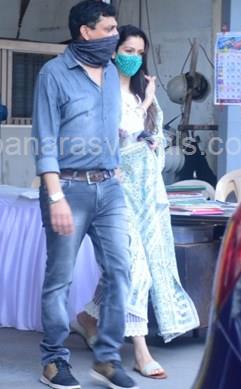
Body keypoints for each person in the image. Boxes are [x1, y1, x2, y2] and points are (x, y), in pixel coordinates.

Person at [71, 25, 200, 380]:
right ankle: (140, 351)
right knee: (134, 267)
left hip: (147, 190)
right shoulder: (101, 90)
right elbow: (109, 137)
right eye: (128, 51)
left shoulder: (146, 91)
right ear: (114, 52)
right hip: (115, 190)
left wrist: (153, 137)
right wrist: (142, 112)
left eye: (140, 52)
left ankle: (87, 318)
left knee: (144, 261)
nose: (134, 58)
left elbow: (155, 138)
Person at [32, 0, 137, 389]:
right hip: (68, 188)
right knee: (60, 276)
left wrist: (116, 165)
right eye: (108, 29)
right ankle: (53, 360)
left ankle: (107, 358)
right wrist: (55, 196)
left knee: (120, 270)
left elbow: (109, 127)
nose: (115, 35)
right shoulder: (54, 74)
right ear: (85, 32)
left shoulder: (110, 71)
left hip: (109, 188)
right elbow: (44, 139)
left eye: (115, 28)